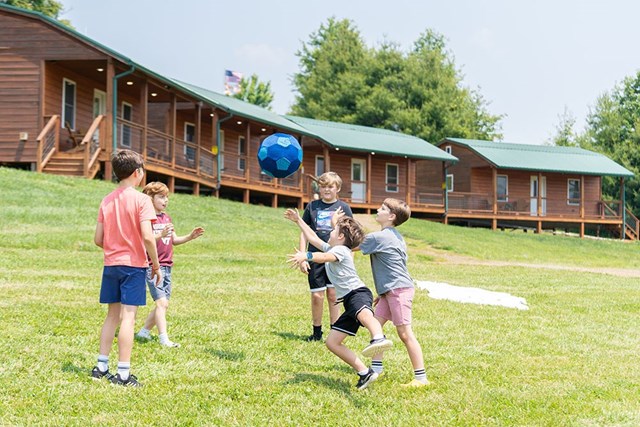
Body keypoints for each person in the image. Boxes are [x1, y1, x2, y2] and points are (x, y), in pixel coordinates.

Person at [285, 207, 393, 390]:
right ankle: (364, 372)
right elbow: (313, 238)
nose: (330, 231)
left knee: (365, 316)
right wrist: (298, 220)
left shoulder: (342, 250)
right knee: (332, 342)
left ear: (341, 237)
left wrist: (307, 255)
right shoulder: (334, 247)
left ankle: (378, 338)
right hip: (348, 301)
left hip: (357, 293)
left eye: (333, 230)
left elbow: (323, 257)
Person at [91, 150, 161, 387]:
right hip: (133, 267)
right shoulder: (142, 200)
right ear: (137, 172)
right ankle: (123, 374)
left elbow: (98, 239)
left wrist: (115, 247)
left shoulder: (106, 200)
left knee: (112, 316)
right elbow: (148, 237)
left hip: (111, 265)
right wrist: (156, 265)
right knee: (128, 318)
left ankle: (101, 367)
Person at [357, 198, 429, 387]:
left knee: (405, 333)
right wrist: (383, 292)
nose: (377, 210)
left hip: (398, 291)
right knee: (376, 326)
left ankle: (421, 378)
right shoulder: (397, 237)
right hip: (391, 291)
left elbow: (349, 246)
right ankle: (377, 369)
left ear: (391, 216)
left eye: (382, 208)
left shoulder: (379, 237)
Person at [136, 182, 205, 347]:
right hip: (153, 267)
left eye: (166, 197)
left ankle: (144, 332)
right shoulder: (146, 219)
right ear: (149, 198)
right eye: (161, 197)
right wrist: (160, 234)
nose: (165, 200)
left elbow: (174, 240)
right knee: (162, 303)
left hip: (167, 266)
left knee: (164, 303)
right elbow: (145, 240)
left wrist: (190, 237)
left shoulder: (166, 217)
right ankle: (164, 339)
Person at [299, 172, 353, 342]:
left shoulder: (343, 208)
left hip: (334, 257)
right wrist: (302, 256)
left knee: (333, 295)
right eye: (323, 186)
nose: (326, 190)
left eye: (330, 186)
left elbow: (349, 234)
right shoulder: (312, 206)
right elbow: (304, 232)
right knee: (317, 295)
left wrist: (349, 256)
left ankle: (334, 331)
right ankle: (316, 332)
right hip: (315, 256)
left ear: (338, 188)